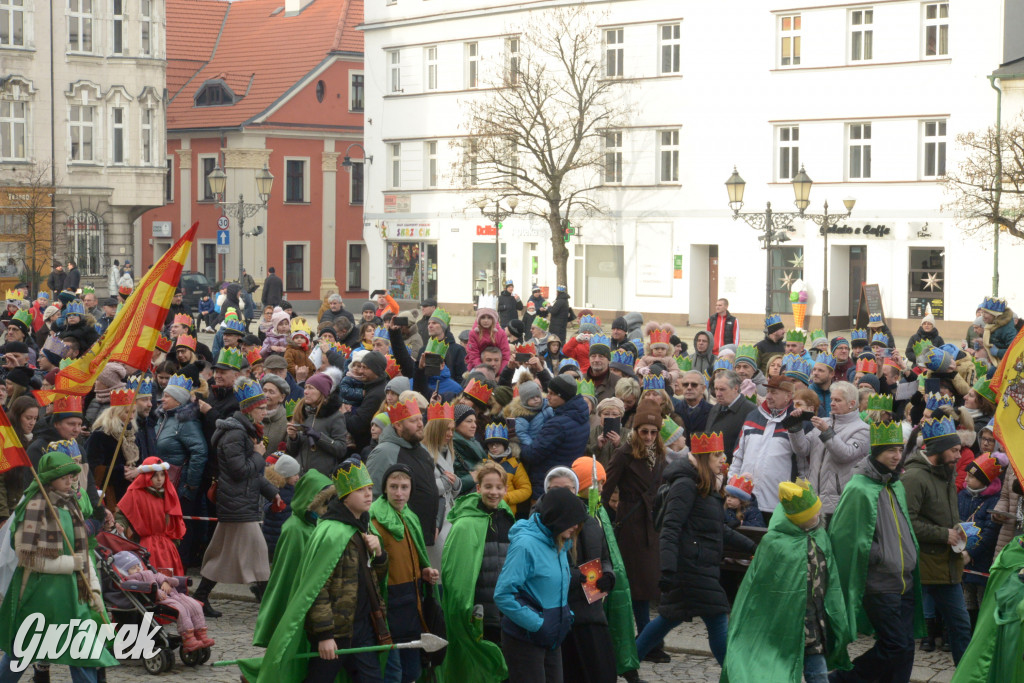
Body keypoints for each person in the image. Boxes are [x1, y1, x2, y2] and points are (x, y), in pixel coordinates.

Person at [237, 459, 388, 683]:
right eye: (361, 490)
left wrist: (380, 554)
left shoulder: (364, 527)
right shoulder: (331, 532)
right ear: (345, 495)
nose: (368, 495)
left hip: (363, 627)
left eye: (369, 489)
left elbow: (374, 578)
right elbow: (317, 589)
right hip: (336, 630)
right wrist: (325, 636)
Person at [636, 432, 756, 666]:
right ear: (703, 459)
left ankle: (625, 665)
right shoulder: (686, 485)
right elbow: (670, 527)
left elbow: (718, 529)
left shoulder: (706, 486)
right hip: (690, 567)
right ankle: (733, 675)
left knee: (667, 620)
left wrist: (753, 546)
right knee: (718, 618)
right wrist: (668, 569)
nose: (723, 459)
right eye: (717, 455)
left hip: (699, 565)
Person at [0, 442, 117, 679]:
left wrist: (92, 588)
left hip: (74, 595)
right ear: (48, 479)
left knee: (81, 651)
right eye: (63, 477)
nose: (70, 481)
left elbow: (82, 551)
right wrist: (69, 564)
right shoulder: (34, 507)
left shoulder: (71, 503)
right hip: (40, 595)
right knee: (22, 650)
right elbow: (27, 558)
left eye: (72, 476)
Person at [722, 479, 851, 683]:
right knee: (777, 672)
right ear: (799, 519)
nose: (819, 515)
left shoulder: (820, 536)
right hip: (781, 626)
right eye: (813, 513)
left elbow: (830, 578)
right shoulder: (774, 543)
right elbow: (758, 590)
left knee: (818, 672)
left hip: (813, 622)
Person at [828, 420, 923, 682]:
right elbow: (843, 535)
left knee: (904, 649)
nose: (896, 455)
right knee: (896, 645)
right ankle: (842, 679)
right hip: (879, 583)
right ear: (876, 451)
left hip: (904, 581)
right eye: (890, 450)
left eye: (900, 449)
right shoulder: (859, 488)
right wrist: (878, 556)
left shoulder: (896, 485)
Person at [195, 378, 282, 617]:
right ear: (249, 410)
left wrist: (272, 493)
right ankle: (268, 604)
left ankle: (200, 598)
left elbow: (250, 476)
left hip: (238, 502)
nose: (265, 411)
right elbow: (240, 471)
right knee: (258, 553)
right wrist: (258, 455)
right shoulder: (236, 434)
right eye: (261, 408)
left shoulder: (246, 431)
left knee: (221, 555)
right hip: (237, 505)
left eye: (265, 407)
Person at [495, 486, 588, 683]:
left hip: (551, 637)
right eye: (572, 522)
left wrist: (564, 617)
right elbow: (503, 595)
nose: (575, 528)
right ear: (558, 517)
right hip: (525, 639)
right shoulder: (525, 545)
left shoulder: (559, 542)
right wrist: (539, 624)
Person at [902, 416, 972, 664]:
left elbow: (947, 516)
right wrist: (944, 535)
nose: (958, 455)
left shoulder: (947, 473)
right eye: (954, 450)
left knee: (960, 627)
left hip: (947, 562)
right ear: (939, 449)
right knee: (910, 632)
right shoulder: (914, 477)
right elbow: (906, 521)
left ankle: (965, 677)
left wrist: (960, 537)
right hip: (924, 565)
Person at [441, 460, 515, 682]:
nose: (494, 492)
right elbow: (455, 573)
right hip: (479, 610)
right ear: (478, 488)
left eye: (499, 487)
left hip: (506, 609)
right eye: (488, 486)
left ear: (505, 489)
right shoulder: (465, 525)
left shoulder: (509, 521)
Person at [603, 405, 666, 657]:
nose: (649, 437)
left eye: (653, 432)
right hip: (631, 525)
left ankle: (647, 639)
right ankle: (646, 642)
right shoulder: (624, 453)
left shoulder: (660, 454)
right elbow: (606, 488)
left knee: (649, 585)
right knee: (638, 586)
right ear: (636, 431)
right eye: (644, 432)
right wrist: (604, 520)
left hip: (653, 524)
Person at [370, 463, 440, 683]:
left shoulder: (410, 516)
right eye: (393, 487)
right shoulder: (375, 521)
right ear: (385, 489)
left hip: (412, 601)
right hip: (390, 603)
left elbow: (413, 555)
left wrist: (424, 571)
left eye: (404, 487)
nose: (399, 493)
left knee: (412, 671)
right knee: (393, 671)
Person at [787, 381, 870, 524]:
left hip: (840, 502)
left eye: (837, 400)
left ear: (851, 403)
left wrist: (827, 432)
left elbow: (846, 454)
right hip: (812, 500)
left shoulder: (863, 429)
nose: (832, 403)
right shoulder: (823, 422)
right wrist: (795, 428)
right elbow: (802, 449)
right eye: (831, 399)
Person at [366, 399, 439, 550]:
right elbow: (371, 497)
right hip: (397, 538)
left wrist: (436, 522)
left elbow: (432, 491)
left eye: (421, 419)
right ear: (398, 425)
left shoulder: (423, 450)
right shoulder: (384, 452)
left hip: (425, 535)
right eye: (414, 421)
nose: (420, 424)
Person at [113, 550, 213, 652]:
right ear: (125, 572)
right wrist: (156, 591)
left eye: (138, 565)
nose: (138, 569)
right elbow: (140, 587)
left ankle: (201, 634)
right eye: (133, 568)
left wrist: (166, 581)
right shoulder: (130, 580)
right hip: (160, 600)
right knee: (182, 610)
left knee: (195, 605)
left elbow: (163, 577)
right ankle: (188, 638)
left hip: (176, 595)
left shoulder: (150, 573)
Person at [732, 375, 797, 523]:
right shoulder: (752, 417)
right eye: (768, 391)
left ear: (788, 396)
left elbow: (802, 465)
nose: (768, 396)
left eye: (774, 392)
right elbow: (738, 457)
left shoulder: (797, 422)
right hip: (745, 500)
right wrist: (733, 487)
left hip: (776, 505)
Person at [114, 455, 186, 577]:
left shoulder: (169, 493)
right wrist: (120, 524)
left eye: (162, 475)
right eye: (155, 476)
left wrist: (173, 544)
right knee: (150, 580)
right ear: (147, 476)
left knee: (168, 583)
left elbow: (175, 521)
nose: (159, 479)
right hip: (145, 547)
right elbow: (123, 514)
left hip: (167, 549)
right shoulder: (135, 493)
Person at [286, 372, 347, 476]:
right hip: (301, 477)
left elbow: (341, 449)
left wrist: (319, 437)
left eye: (311, 388)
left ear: (322, 392)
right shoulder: (301, 413)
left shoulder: (335, 416)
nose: (306, 392)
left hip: (322, 478)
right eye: (305, 388)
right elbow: (292, 452)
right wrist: (293, 438)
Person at [705, 370, 756, 461]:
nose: (718, 394)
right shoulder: (715, 409)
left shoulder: (751, 411)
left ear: (736, 388)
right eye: (716, 389)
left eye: (722, 389)